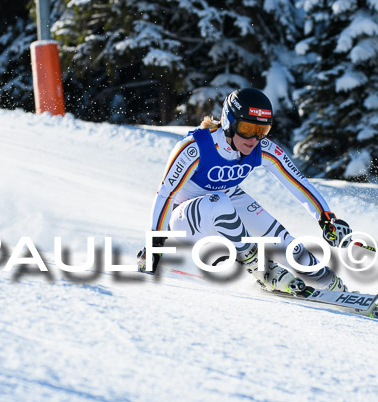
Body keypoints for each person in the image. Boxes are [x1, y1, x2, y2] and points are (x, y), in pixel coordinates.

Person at [138, 88, 353, 294]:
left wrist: (326, 218)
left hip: (226, 205)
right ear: (228, 122)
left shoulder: (261, 148)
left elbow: (297, 181)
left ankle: (334, 287)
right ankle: (261, 268)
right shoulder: (194, 148)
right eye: (248, 129)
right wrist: (155, 243)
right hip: (185, 221)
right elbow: (165, 194)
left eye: (262, 131)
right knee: (219, 200)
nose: (254, 139)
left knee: (290, 248)